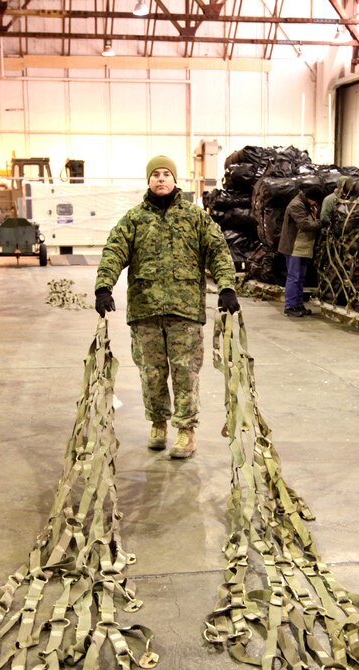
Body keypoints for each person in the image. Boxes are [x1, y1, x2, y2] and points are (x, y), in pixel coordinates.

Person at [94, 154, 240, 459]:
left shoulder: (195, 218)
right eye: (155, 174)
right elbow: (114, 252)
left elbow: (218, 251)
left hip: (184, 311)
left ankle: (186, 431)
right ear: (148, 181)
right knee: (152, 372)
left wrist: (226, 286)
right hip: (145, 310)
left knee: (186, 372)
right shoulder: (134, 220)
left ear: (175, 181)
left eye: (166, 174)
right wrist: (104, 286)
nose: (161, 179)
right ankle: (158, 424)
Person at [278, 184, 323, 317]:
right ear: (310, 197)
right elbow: (304, 224)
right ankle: (290, 306)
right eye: (315, 201)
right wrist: (322, 223)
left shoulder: (305, 205)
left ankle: (298, 304)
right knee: (294, 277)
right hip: (294, 248)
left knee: (300, 278)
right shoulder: (296, 205)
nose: (315, 204)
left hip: (302, 248)